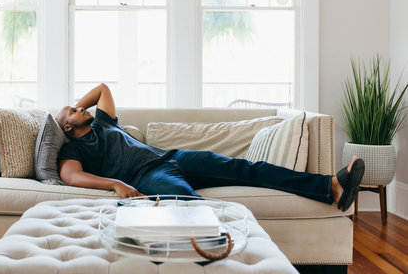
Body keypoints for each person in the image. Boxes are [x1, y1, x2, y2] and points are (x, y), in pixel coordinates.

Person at [56, 84, 364, 211]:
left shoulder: (103, 123)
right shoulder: (74, 150)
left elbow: (102, 89)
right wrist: (116, 184)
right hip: (145, 177)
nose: (81, 108)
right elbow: (71, 176)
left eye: (78, 106)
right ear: (68, 129)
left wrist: (75, 108)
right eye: (73, 111)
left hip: (173, 157)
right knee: (189, 204)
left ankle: (331, 187)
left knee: (247, 168)